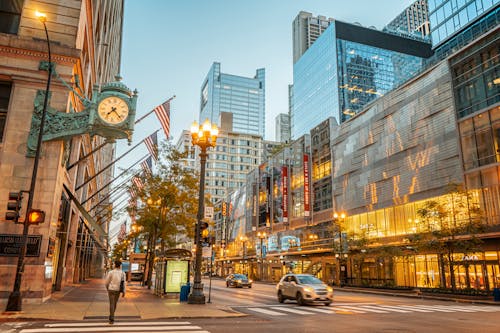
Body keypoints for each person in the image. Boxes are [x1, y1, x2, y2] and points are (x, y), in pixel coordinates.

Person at [105, 260, 126, 324]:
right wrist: (124, 291)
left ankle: (111, 318)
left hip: (111, 289)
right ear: (120, 265)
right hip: (118, 290)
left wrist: (107, 288)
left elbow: (107, 282)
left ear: (114, 265)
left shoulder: (111, 272)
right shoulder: (123, 273)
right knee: (114, 303)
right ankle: (112, 316)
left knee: (111, 303)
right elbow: (124, 283)